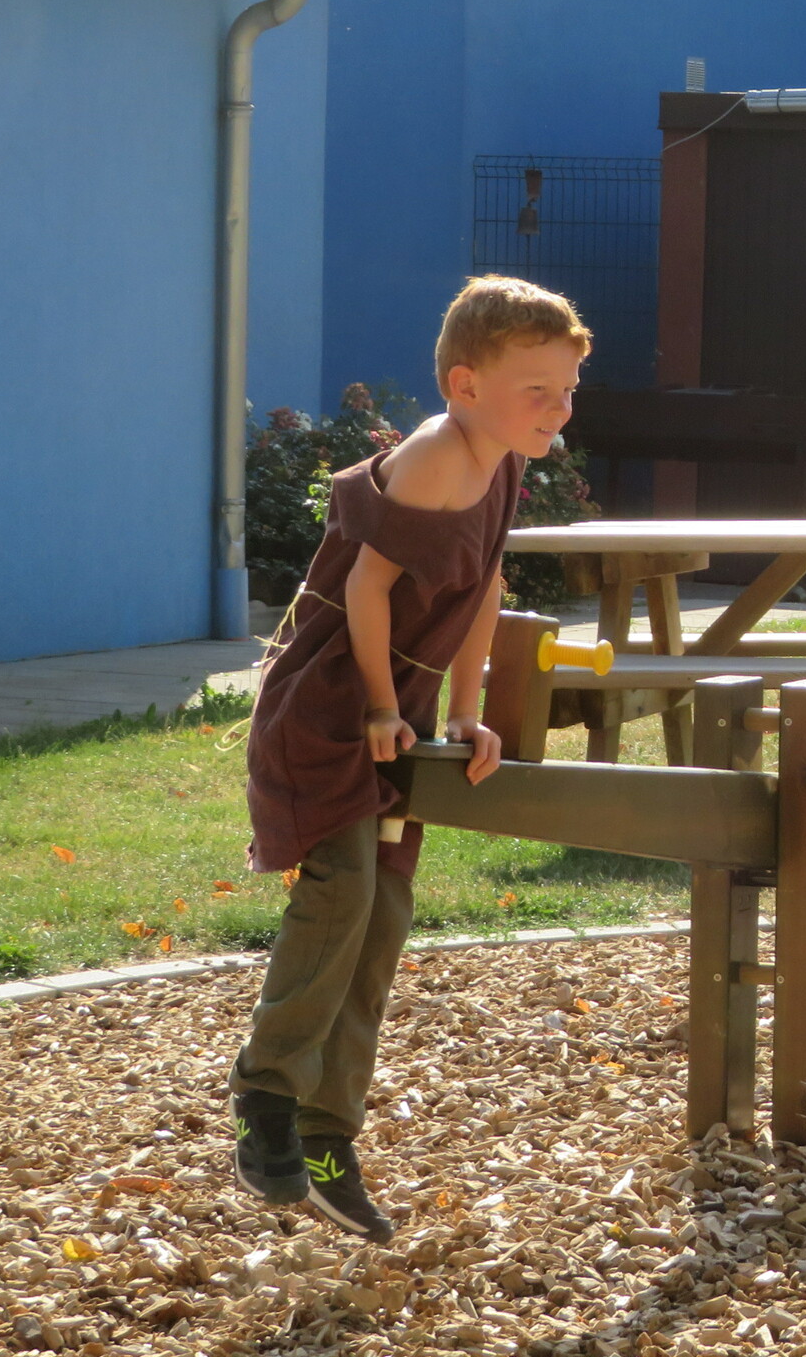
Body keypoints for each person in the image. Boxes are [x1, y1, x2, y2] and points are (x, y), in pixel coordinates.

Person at [229, 277, 590, 1239]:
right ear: (466, 385)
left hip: (400, 716)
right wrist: (386, 707)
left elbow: (484, 588)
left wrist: (467, 713)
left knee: (384, 913)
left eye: (567, 391)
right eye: (538, 391)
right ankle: (266, 1095)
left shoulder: (501, 460)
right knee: (342, 891)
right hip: (331, 708)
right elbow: (366, 589)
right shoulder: (437, 456)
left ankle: (326, 1135)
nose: (559, 409)